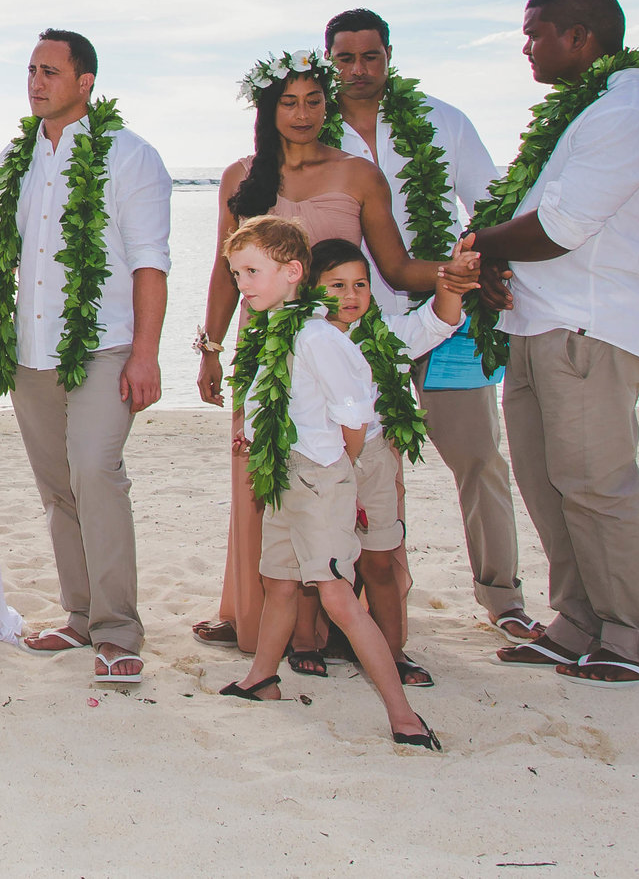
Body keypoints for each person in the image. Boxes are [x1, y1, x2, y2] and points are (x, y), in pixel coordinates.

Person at [466, 0, 639, 685]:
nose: (527, 46)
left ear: (581, 35)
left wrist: (479, 243)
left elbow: (559, 228)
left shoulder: (626, 114)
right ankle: (579, 622)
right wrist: (497, 261)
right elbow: (539, 218)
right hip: (538, 323)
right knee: (545, 480)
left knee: (596, 483)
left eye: (536, 32)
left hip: (589, 326)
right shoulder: (580, 112)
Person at [193, 51, 445, 653]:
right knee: (267, 486)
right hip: (266, 357)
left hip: (338, 353)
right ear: (268, 108)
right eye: (288, 101)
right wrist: (210, 347)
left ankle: (350, 625)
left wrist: (457, 276)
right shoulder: (241, 176)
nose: (302, 113)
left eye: (313, 100)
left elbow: (396, 267)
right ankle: (262, 619)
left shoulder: (359, 174)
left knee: (346, 480)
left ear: (327, 105)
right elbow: (226, 272)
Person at [326, 7, 535, 644]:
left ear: (390, 55)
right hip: (352, 329)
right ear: (330, 59)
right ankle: (368, 598)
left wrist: (481, 271)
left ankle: (503, 597)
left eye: (371, 57)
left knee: (477, 458)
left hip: (449, 320)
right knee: (364, 466)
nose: (359, 71)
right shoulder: (312, 128)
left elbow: (491, 203)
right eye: (346, 59)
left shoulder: (443, 122)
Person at [0, 29, 170, 685]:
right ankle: (80, 614)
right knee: (58, 488)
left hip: (105, 344)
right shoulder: (16, 157)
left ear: (86, 82)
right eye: (30, 69)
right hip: (30, 350)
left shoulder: (130, 157)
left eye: (49, 71)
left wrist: (147, 353)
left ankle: (118, 628)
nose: (35, 81)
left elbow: (149, 265)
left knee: (95, 472)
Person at [218, 216, 440, 751]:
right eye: (236, 273)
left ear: (293, 272)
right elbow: (283, 396)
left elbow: (354, 414)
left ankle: (404, 715)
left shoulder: (319, 337)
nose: (241, 284)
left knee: (338, 595)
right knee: (280, 581)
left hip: (319, 479)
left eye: (251, 271)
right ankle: (262, 679)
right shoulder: (275, 328)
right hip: (283, 475)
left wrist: (337, 474)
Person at [302, 237, 475, 689]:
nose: (351, 295)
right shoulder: (301, 338)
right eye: (336, 285)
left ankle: (393, 654)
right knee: (317, 561)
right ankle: (308, 642)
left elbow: (436, 321)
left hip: (373, 460)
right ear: (308, 287)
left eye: (360, 284)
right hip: (318, 463)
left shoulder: (387, 335)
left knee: (379, 560)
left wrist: (453, 282)